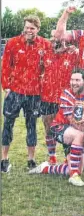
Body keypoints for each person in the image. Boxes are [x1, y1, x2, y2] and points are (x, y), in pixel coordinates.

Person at [29, 68, 84, 187]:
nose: (73, 83)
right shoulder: (66, 94)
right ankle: (74, 176)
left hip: (76, 130)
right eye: (72, 80)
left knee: (77, 168)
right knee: (80, 134)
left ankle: (45, 169)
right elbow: (73, 122)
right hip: (60, 127)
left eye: (77, 80)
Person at [1, 15, 51, 172]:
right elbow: (5, 66)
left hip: (34, 93)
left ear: (38, 29)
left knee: (32, 126)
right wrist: (6, 86)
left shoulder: (44, 44)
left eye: (32, 28)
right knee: (8, 124)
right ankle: (4, 159)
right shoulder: (13, 43)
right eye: (27, 27)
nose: (29, 31)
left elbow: (48, 66)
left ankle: (31, 159)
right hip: (15, 91)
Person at [40, 36, 79, 166]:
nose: (59, 42)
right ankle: (52, 157)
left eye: (62, 39)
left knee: (67, 128)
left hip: (65, 99)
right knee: (48, 128)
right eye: (55, 38)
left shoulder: (72, 54)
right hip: (47, 97)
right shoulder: (45, 53)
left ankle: (67, 158)